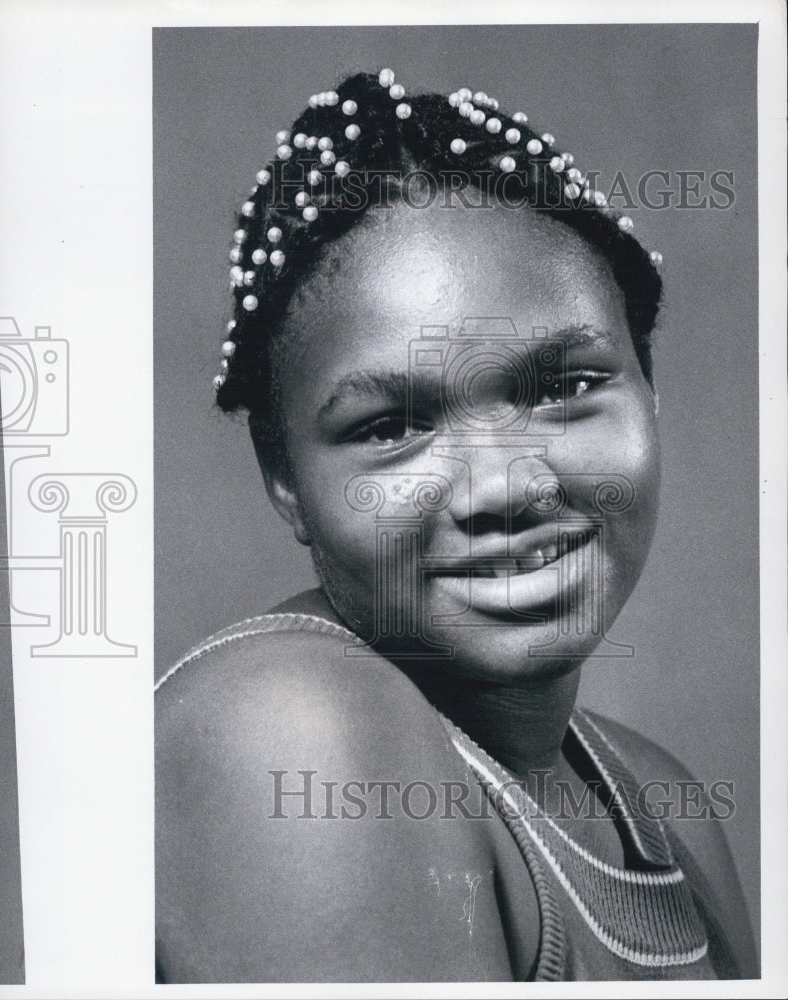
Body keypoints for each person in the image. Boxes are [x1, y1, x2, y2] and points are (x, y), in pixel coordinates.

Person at [155, 69, 757, 983]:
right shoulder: (290, 726)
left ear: (648, 385)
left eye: (564, 387)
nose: (502, 485)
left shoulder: (658, 797)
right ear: (284, 481)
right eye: (390, 428)